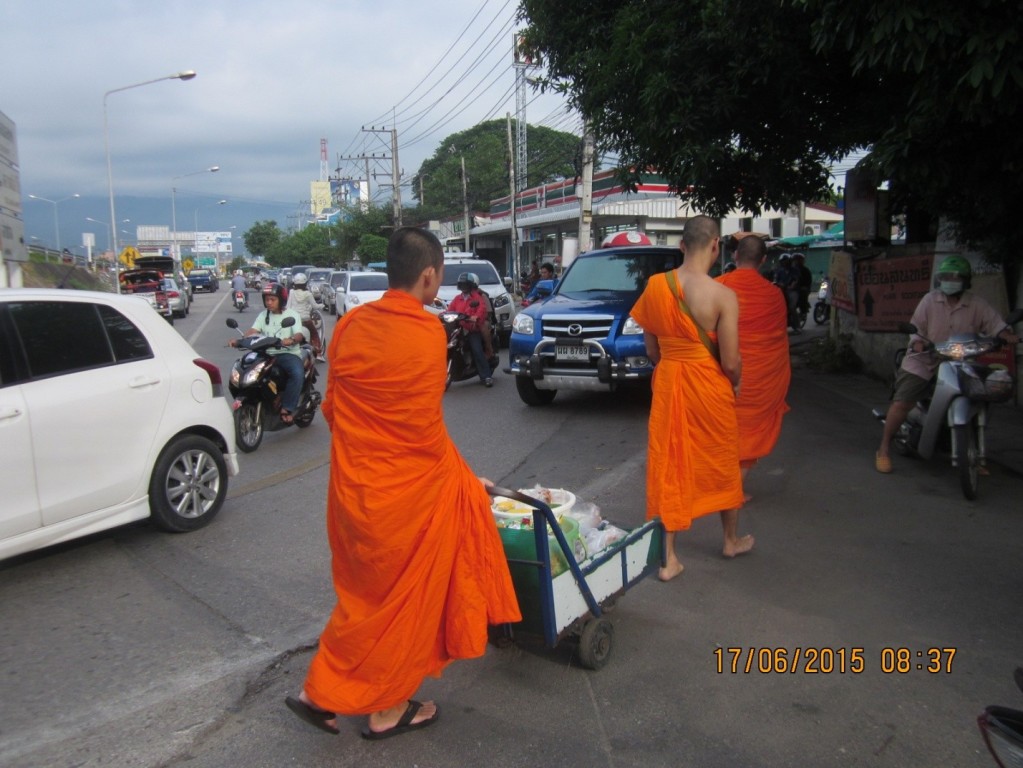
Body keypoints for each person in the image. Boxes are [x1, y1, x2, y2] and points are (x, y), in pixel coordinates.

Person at [285, 227, 520, 740]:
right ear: (430, 276)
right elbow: (422, 426)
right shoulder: (428, 332)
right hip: (407, 497)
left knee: (366, 603)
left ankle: (318, 691)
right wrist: (460, 476)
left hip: (355, 492)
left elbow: (333, 408)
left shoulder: (349, 326)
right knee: (404, 605)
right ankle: (385, 709)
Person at [630, 215, 753, 582]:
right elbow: (730, 361)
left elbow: (651, 347)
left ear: (683, 245)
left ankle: (668, 558)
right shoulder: (722, 295)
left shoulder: (655, 286)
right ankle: (730, 540)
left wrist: (671, 364)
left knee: (670, 461)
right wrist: (736, 381)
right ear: (716, 245)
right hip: (709, 385)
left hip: (670, 381)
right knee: (721, 458)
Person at [875, 255, 1019, 473]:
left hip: (961, 361)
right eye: (946, 277)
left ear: (965, 280)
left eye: (955, 277)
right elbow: (917, 328)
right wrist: (918, 344)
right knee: (903, 402)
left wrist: (1006, 335)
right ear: (939, 280)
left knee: (983, 396)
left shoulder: (977, 304)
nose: (950, 281)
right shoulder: (929, 301)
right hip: (925, 360)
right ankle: (883, 449)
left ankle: (975, 454)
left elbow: (996, 325)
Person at [717, 235, 791, 497]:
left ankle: (721, 486)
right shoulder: (774, 295)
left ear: (735, 256)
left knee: (722, 431)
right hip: (760, 379)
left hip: (723, 375)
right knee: (750, 432)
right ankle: (733, 487)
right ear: (763, 260)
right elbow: (778, 339)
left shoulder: (718, 287)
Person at [229, 283, 306, 424]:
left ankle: (288, 407)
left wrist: (292, 340)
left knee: (297, 373)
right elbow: (254, 331)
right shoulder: (263, 315)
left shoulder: (292, 315)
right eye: (267, 299)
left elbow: (299, 334)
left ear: (281, 300)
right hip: (266, 354)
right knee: (246, 369)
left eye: (273, 299)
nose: (269, 303)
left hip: (287, 354)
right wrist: (240, 340)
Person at [447, 271, 494, 387]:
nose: (463, 287)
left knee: (477, 349)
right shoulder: (457, 298)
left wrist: (475, 317)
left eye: (465, 284)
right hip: (459, 327)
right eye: (461, 284)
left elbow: (481, 309)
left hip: (471, 329)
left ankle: (486, 376)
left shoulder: (477, 297)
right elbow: (449, 310)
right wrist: (442, 315)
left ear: (471, 285)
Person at [286, 272, 325, 361]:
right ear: (305, 283)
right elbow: (315, 306)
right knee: (314, 334)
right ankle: (318, 353)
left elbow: (288, 306)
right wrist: (322, 306)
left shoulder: (291, 292)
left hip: (294, 320)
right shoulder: (308, 294)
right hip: (305, 319)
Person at [773, 255, 800, 330]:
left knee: (792, 307)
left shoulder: (794, 270)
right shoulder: (779, 271)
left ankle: (797, 326)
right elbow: (775, 280)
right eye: (783, 262)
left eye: (786, 261)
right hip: (781, 290)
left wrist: (791, 286)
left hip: (792, 291)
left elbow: (795, 280)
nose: (784, 263)